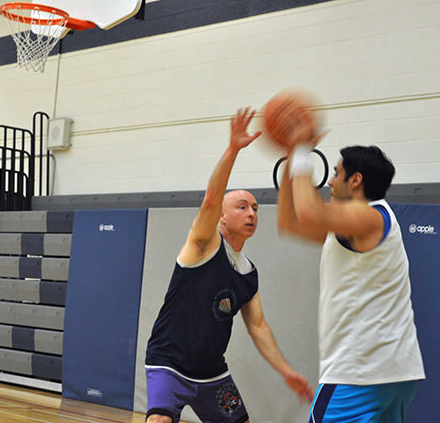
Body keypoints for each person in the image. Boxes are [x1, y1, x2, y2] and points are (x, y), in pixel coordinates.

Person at [144, 108, 313, 423]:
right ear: (222, 216)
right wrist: (233, 149)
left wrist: (286, 371)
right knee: (160, 421)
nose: (251, 213)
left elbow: (258, 327)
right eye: (242, 207)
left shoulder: (248, 274)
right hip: (169, 363)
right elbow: (211, 198)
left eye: (255, 208)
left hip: (212, 374)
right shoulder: (203, 245)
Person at [275, 108, 425, 423]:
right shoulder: (358, 225)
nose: (330, 181)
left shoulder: (367, 216)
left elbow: (310, 212)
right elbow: (289, 223)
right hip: (395, 373)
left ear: (356, 180)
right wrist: (291, 161)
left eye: (336, 173)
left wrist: (302, 153)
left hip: (359, 373)